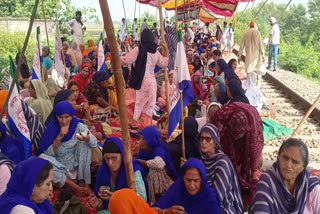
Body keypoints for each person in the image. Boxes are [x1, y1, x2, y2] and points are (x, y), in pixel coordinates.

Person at [37, 101, 97, 196]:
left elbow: (94, 144)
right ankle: (74, 187)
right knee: (41, 158)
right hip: (61, 170)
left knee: (84, 143)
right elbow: (49, 155)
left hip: (77, 168)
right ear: (56, 116)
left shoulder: (79, 126)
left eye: (67, 117)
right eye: (60, 117)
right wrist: (59, 137)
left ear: (72, 116)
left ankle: (83, 181)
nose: (64, 121)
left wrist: (87, 138)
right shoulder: (52, 128)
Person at [251, 138, 320, 213]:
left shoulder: (311, 186)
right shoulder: (267, 180)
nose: (288, 165)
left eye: (295, 162)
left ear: (303, 167)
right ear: (278, 157)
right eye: (285, 158)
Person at [209, 101, 264, 194]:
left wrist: (254, 180)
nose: (237, 137)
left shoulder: (252, 134)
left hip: (249, 127)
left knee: (246, 159)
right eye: (235, 134)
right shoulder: (223, 116)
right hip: (229, 131)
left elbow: (254, 154)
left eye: (239, 134)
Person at [120, 29, 169, 128]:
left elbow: (125, 61)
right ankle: (146, 128)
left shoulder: (138, 49)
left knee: (133, 103)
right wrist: (166, 50)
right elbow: (164, 63)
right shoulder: (155, 51)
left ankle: (135, 124)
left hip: (141, 82)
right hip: (152, 83)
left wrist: (116, 56)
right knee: (147, 108)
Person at [88, 137, 147, 213]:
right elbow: (103, 204)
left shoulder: (132, 170)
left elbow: (141, 199)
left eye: (114, 158)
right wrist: (98, 203)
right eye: (107, 158)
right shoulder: (103, 170)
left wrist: (115, 196)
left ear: (122, 156)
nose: (110, 163)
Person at [198, 124, 243, 214]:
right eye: (201, 138)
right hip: (204, 203)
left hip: (223, 208)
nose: (203, 142)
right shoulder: (202, 160)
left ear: (215, 142)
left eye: (208, 139)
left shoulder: (222, 163)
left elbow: (217, 196)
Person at [153, 158, 222, 214]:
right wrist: (166, 212)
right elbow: (152, 210)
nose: (192, 185)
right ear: (183, 178)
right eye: (188, 180)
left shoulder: (210, 198)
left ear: (202, 180)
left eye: (196, 180)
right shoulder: (177, 189)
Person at [137, 126, 177, 204]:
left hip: (164, 182)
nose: (140, 141)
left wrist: (144, 163)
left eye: (143, 139)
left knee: (154, 171)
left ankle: (155, 199)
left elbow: (159, 164)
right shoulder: (143, 150)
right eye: (140, 138)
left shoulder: (159, 149)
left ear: (150, 140)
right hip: (147, 177)